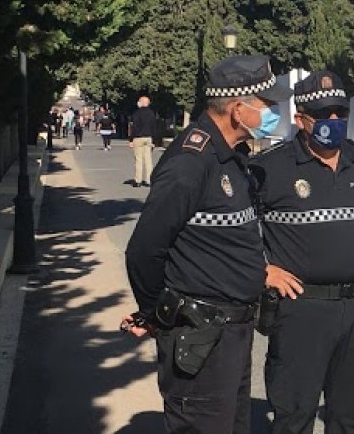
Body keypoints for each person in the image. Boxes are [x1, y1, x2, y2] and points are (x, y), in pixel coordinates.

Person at [123, 54, 290, 434]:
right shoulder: (190, 163)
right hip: (200, 336)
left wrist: (258, 270)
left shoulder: (231, 158)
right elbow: (144, 251)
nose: (274, 112)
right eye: (267, 104)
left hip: (232, 335)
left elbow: (224, 239)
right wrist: (157, 316)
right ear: (237, 110)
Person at [250, 70, 354, 434]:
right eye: (322, 114)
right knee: (295, 416)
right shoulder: (269, 168)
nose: (333, 120)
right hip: (301, 309)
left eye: (340, 112)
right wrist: (261, 269)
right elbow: (235, 226)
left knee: (350, 418)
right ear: (300, 119)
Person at [129, 95, 158, 187]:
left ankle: (138, 180)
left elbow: (134, 127)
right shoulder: (152, 113)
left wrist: (131, 139)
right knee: (148, 160)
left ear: (141, 103)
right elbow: (154, 127)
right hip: (148, 138)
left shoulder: (136, 113)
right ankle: (149, 180)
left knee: (139, 160)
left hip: (138, 138)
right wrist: (154, 140)